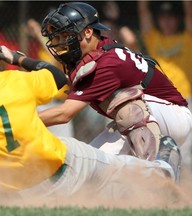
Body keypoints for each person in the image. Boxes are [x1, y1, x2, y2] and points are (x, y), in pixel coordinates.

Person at [0, 25, 181, 207]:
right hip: (63, 167)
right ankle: (162, 171)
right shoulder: (8, 82)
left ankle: (153, 181)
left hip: (23, 195)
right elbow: (59, 78)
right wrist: (16, 59)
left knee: (107, 185)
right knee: (115, 169)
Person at [39, 2, 192, 162]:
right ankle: (151, 180)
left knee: (128, 106)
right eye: (58, 37)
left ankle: (161, 164)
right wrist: (18, 59)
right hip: (147, 117)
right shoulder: (99, 49)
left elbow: (64, 114)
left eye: (66, 36)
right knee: (91, 165)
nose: (61, 42)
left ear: (88, 32)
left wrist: (15, 121)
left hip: (172, 115)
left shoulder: (106, 63)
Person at [138, 1, 192, 170]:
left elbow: (189, 13)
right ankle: (161, 184)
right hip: (158, 99)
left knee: (185, 149)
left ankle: (185, 187)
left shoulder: (187, 37)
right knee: (156, 145)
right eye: (162, 18)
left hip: (184, 99)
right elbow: (144, 12)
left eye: (171, 18)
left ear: (178, 19)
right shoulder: (154, 38)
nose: (167, 22)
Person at [26, 18, 74, 137]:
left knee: (65, 144)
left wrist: (37, 32)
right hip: (42, 102)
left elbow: (54, 56)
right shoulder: (40, 49)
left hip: (59, 105)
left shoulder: (64, 49)